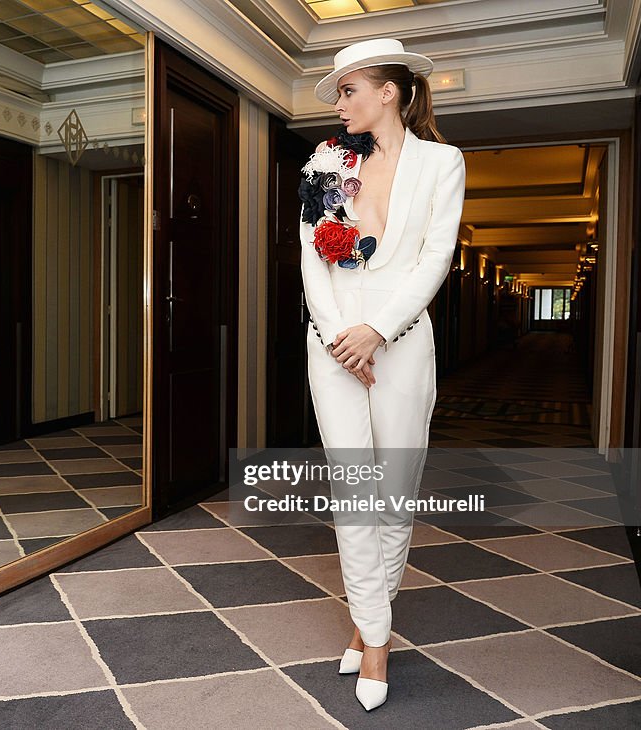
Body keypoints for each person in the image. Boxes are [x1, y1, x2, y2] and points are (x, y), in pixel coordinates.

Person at [300, 39, 466, 710]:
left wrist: (379, 332)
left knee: (394, 488)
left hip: (401, 339)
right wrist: (345, 338)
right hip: (332, 339)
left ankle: (371, 619)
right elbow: (314, 259)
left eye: (348, 90)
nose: (340, 105)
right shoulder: (324, 162)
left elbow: (435, 257)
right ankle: (376, 638)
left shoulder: (441, 162)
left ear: (388, 92)